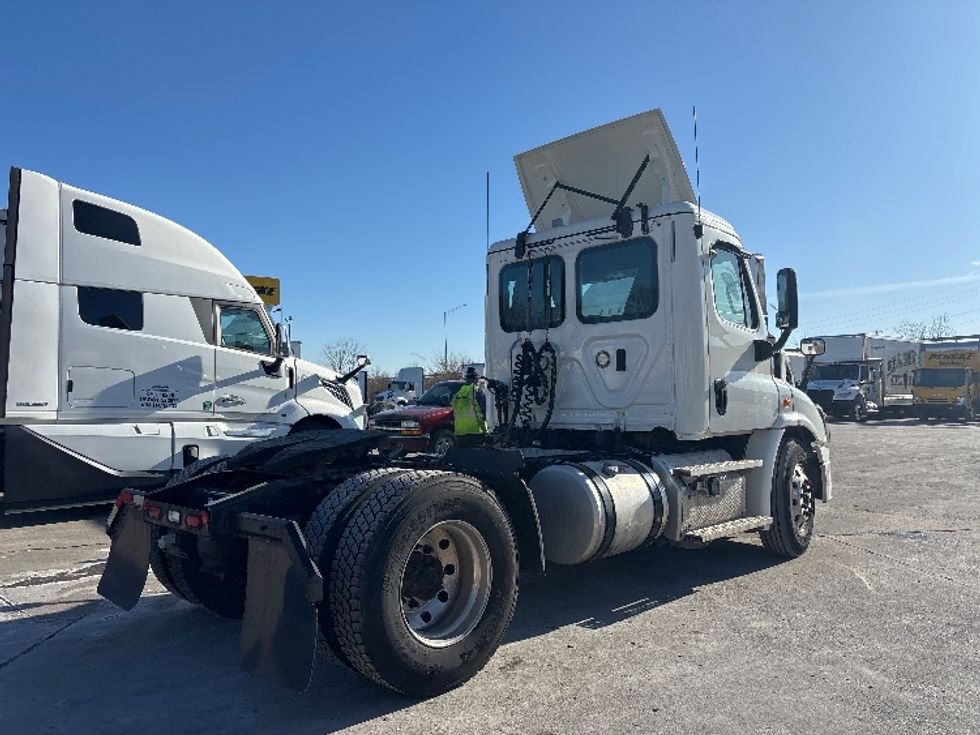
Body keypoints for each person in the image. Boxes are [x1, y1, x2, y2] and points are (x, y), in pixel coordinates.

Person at [452, 367, 488, 447]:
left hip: (460, 431)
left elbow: (454, 408)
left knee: (464, 453)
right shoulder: (477, 391)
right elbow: (484, 410)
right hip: (476, 431)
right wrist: (486, 429)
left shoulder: (459, 392)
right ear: (476, 379)